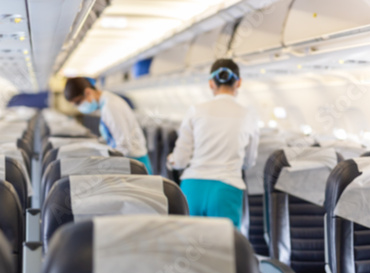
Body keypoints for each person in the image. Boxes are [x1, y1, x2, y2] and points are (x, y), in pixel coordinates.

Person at [168, 59, 259, 229]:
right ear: (238, 83)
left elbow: (180, 160)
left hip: (192, 188)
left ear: (211, 83)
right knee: (223, 250)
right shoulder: (249, 115)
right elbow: (249, 162)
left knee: (189, 245)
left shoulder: (196, 110)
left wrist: (170, 160)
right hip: (226, 189)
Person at [64, 77, 153, 174]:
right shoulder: (106, 103)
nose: (79, 107)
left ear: (88, 92)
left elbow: (124, 145)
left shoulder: (110, 106)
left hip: (134, 164)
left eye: (78, 103)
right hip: (129, 162)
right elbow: (114, 138)